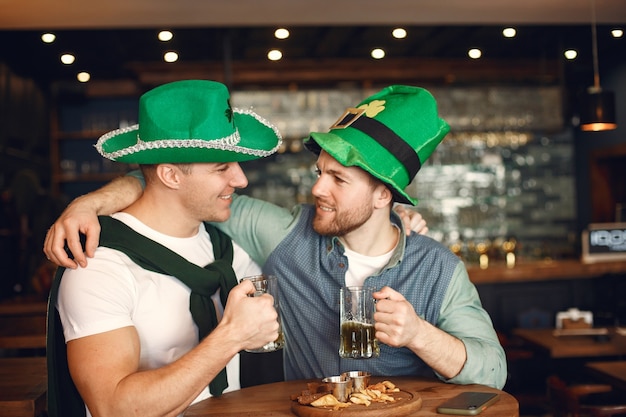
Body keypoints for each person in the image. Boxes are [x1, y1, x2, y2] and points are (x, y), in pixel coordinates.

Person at [45, 85, 507, 390]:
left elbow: (494, 373)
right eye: (319, 173)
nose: (316, 190)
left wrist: (420, 335)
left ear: (384, 196)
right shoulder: (285, 233)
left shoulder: (438, 267)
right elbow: (173, 188)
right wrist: (88, 204)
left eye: (338, 181)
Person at [46, 79, 283, 417]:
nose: (241, 180)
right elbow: (112, 408)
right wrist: (230, 336)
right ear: (171, 176)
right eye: (222, 167)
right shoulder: (100, 266)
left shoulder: (229, 251)